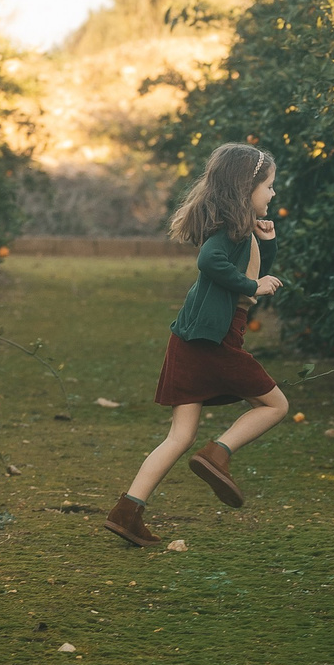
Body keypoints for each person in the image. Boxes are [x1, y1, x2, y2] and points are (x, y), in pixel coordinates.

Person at [105, 142, 292, 547]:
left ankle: (128, 511)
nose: (273, 194)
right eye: (269, 187)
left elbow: (253, 267)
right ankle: (218, 453)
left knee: (178, 436)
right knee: (276, 405)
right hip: (215, 342)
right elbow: (210, 262)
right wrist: (250, 285)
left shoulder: (241, 230)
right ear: (247, 188)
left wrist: (268, 241)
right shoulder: (227, 233)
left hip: (188, 341)